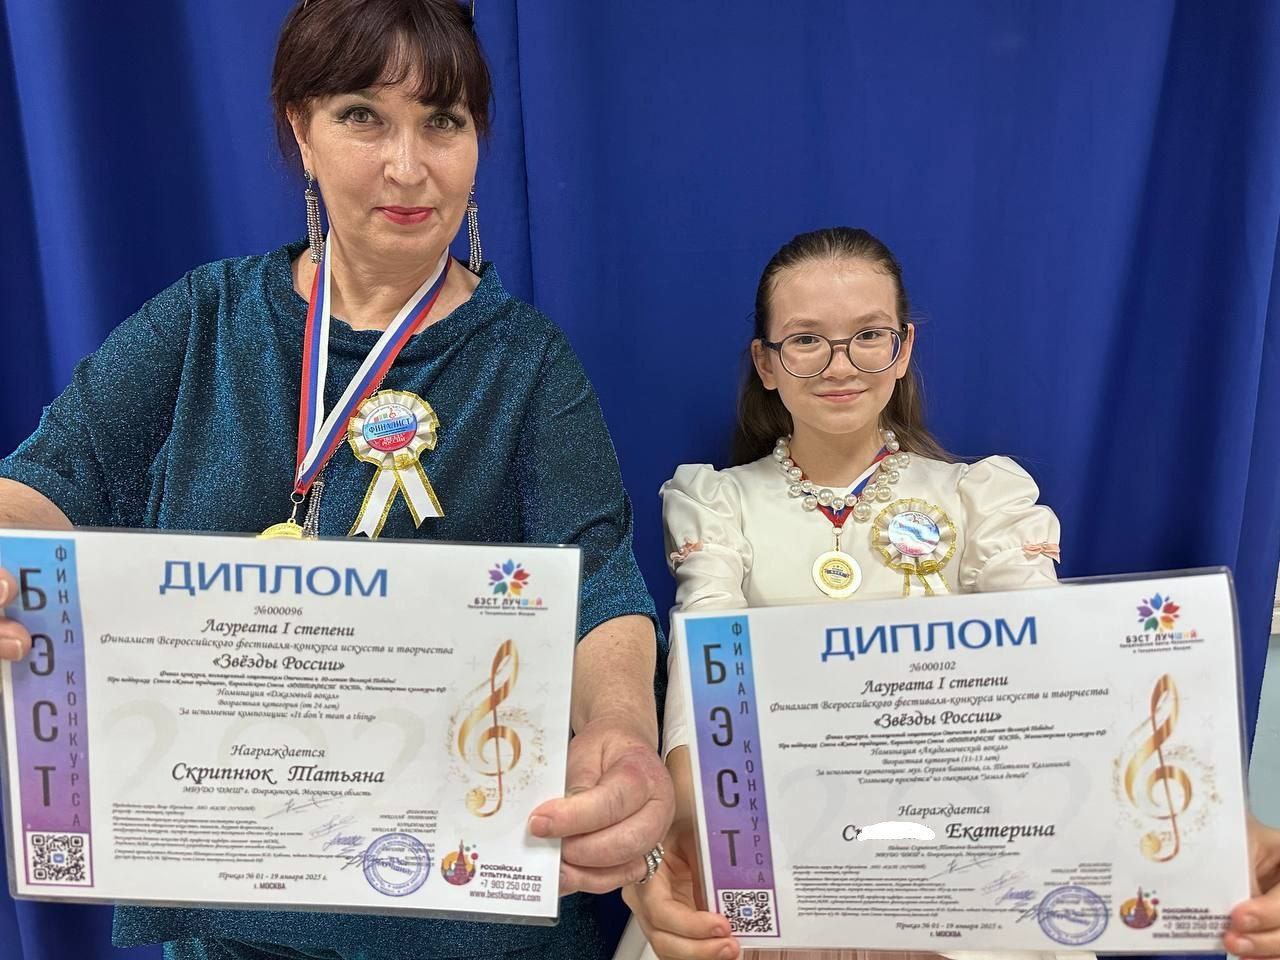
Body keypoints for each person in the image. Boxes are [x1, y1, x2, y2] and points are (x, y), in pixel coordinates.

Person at [0, 2, 672, 958]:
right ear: (300, 130)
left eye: (443, 120)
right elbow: (45, 484)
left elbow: (597, 583)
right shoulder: (205, 320)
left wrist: (622, 730)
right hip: (233, 917)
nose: (408, 165)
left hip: (467, 923)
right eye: (363, 115)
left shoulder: (526, 363)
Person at [617, 226, 1280, 960]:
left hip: (961, 867)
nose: (841, 365)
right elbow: (706, 675)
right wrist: (690, 825)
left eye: (869, 335)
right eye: (805, 340)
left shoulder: (980, 499)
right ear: (767, 363)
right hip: (783, 856)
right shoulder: (718, 505)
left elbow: (1059, 671)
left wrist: (1213, 827)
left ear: (903, 349)